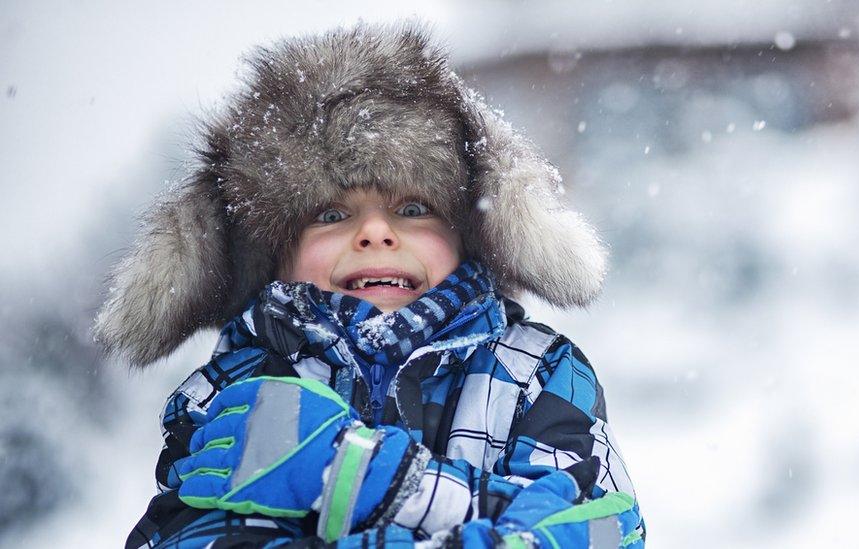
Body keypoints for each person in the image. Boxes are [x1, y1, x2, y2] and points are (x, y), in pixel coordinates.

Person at [95, 21, 645, 548]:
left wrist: (359, 474)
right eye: (331, 215)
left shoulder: (538, 371)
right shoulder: (232, 390)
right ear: (274, 253)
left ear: (469, 234)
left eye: (413, 207)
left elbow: (598, 530)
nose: (376, 232)